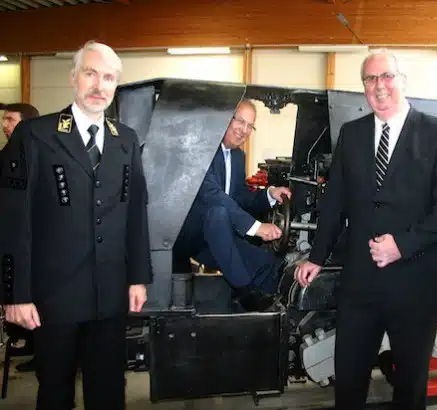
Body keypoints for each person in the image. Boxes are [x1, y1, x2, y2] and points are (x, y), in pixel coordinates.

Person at [294, 49, 437, 409]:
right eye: (370, 79)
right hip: (361, 284)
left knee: (409, 386)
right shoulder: (353, 134)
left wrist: (402, 245)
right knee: (350, 380)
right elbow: (335, 201)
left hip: (415, 283)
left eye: (386, 76)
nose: (379, 86)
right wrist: (317, 255)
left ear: (402, 81)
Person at [0, 41, 152, 410]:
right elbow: (12, 221)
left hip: (110, 295)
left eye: (109, 78)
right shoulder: (35, 136)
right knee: (54, 391)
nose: (100, 85)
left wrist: (138, 277)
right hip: (53, 297)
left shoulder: (126, 141)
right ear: (74, 78)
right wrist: (14, 294)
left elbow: (135, 213)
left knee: (109, 392)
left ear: (116, 85)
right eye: (91, 73)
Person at [174, 99, 291, 312]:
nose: (244, 130)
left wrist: (270, 194)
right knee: (218, 212)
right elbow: (213, 195)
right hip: (188, 236)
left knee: (267, 262)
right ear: (226, 119)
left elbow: (239, 196)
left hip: (218, 237)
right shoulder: (201, 149)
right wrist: (257, 228)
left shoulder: (238, 156)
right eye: (240, 122)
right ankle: (243, 290)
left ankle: (260, 319)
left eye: (250, 126)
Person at [0, 102, 40, 372]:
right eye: (4, 120)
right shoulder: (7, 154)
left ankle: (42, 351)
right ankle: (28, 342)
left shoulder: (34, 155)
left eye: (10, 120)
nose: (5, 125)